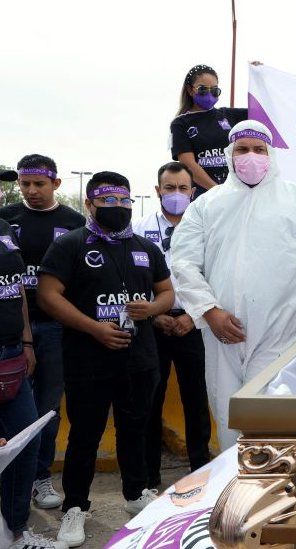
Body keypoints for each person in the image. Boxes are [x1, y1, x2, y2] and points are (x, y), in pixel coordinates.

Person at [170, 120, 296, 450]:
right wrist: (209, 311)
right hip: (221, 336)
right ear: (229, 154)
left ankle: (274, 498)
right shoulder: (206, 206)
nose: (250, 156)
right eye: (242, 149)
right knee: (228, 418)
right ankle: (236, 495)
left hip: (281, 337)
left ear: (272, 155)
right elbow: (183, 263)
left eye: (258, 149)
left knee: (273, 424)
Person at [37, 172, 174, 547]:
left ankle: (136, 494)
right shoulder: (71, 244)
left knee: (136, 430)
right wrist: (93, 328)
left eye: (124, 201)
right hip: (88, 360)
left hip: (140, 358)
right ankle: (75, 507)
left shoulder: (147, 248)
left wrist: (152, 309)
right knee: (85, 435)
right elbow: (49, 295)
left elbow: (166, 292)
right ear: (90, 203)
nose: (118, 208)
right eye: (108, 201)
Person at [0, 154, 85, 511]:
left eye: (39, 184)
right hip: (12, 331)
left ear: (56, 184)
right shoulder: (7, 221)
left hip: (54, 329)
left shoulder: (74, 222)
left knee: (47, 408)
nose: (31, 191)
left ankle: (40, 477)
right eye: (25, 184)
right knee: (15, 413)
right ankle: (12, 483)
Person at [132, 162, 211, 488]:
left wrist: (193, 316)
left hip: (194, 324)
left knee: (197, 400)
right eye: (169, 188)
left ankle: (201, 471)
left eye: (182, 189)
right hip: (153, 325)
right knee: (150, 399)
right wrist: (155, 314)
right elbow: (133, 279)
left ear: (193, 192)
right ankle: (149, 479)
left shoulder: (208, 229)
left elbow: (215, 276)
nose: (176, 195)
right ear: (157, 190)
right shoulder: (139, 228)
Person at [0, 219, 66, 549]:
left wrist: (26, 342)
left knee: (24, 444)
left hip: (12, 355)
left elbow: (17, 291)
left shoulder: (4, 230)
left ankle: (14, 532)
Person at [169, 64, 248, 197]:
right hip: (203, 197)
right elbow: (188, 164)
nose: (209, 94)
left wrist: (260, 75)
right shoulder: (180, 124)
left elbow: (264, 109)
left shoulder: (229, 115)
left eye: (215, 90)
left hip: (235, 194)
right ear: (190, 90)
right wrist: (216, 191)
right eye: (203, 89)